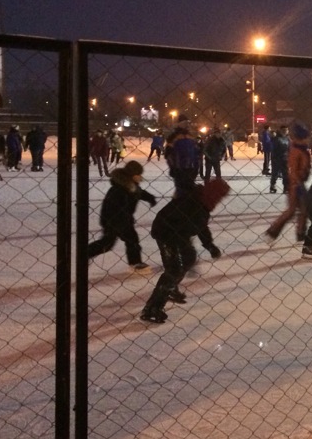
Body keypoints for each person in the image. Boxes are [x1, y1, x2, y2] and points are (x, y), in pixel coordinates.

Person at [140, 178, 228, 324]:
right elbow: (177, 222)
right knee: (173, 269)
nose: (220, 199)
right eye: (220, 195)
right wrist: (182, 243)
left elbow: (201, 226)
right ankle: (152, 308)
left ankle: (171, 287)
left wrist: (209, 245)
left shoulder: (203, 203)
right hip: (165, 233)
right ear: (213, 193)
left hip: (180, 234)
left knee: (189, 257)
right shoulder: (193, 201)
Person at [88, 160, 157, 273]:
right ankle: (86, 253)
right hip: (113, 221)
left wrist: (150, 198)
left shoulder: (131, 186)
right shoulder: (119, 189)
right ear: (132, 175)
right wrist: (120, 220)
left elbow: (140, 193)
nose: (140, 177)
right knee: (107, 243)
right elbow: (114, 208)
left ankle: (135, 263)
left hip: (124, 221)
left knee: (132, 240)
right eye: (138, 174)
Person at [266, 123, 312, 242]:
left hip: (298, 182)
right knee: (294, 210)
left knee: (302, 209)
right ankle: (275, 231)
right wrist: (297, 184)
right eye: (307, 136)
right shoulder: (297, 150)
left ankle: (298, 232)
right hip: (295, 184)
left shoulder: (301, 149)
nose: (309, 138)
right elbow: (292, 169)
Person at [165, 117, 200, 196]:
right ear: (178, 124)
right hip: (179, 169)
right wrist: (173, 168)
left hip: (190, 168)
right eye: (183, 123)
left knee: (190, 193)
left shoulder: (190, 136)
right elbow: (168, 154)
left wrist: (196, 167)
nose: (186, 125)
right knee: (181, 192)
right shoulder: (173, 137)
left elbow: (196, 153)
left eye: (187, 123)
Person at [269, 125, 291, 194]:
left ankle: (286, 187)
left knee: (286, 174)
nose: (285, 132)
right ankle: (273, 185)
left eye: (286, 130)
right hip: (277, 158)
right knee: (275, 173)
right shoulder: (276, 139)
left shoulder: (288, 139)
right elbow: (274, 149)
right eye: (283, 130)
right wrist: (275, 158)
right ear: (280, 131)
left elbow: (290, 148)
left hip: (285, 159)